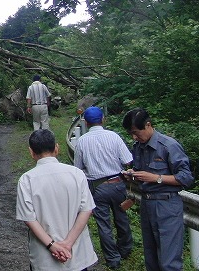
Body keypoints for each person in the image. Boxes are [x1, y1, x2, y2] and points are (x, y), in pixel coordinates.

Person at [122, 108, 194, 271]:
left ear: (148, 125)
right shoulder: (138, 146)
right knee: (151, 258)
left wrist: (157, 178)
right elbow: (142, 172)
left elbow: (186, 177)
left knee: (169, 262)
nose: (134, 137)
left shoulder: (168, 145)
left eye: (136, 132)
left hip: (167, 205)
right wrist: (133, 175)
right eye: (131, 134)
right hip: (147, 205)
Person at [16, 129, 98, 271]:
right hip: (76, 253)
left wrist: (52, 245)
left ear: (31, 152)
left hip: (45, 258)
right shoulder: (76, 174)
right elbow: (86, 209)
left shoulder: (27, 179)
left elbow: (29, 219)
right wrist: (68, 243)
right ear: (57, 148)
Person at [74, 106, 133, 269]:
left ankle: (113, 259)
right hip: (117, 184)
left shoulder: (82, 141)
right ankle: (125, 249)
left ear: (85, 122)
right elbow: (128, 160)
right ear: (103, 119)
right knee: (121, 218)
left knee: (103, 224)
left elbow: (78, 169)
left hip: (98, 188)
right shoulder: (114, 136)